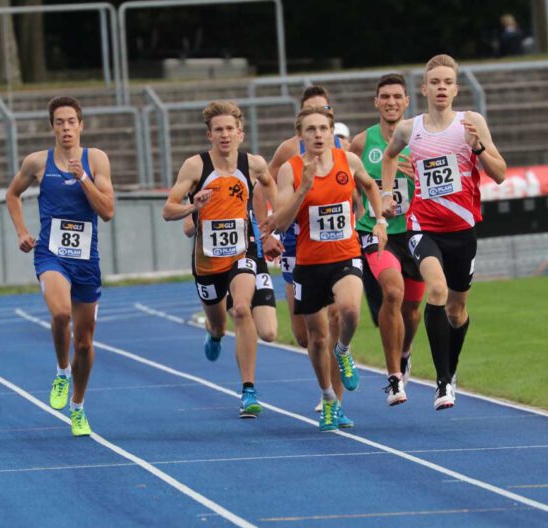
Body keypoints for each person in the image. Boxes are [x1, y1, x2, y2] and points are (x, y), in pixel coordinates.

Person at [381, 54, 506, 410]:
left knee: (457, 311)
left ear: (455, 88)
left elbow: (500, 173)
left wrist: (477, 147)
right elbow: (390, 157)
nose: (441, 88)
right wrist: (388, 194)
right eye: (434, 82)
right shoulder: (410, 129)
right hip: (423, 227)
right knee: (435, 289)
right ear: (424, 88)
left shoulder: (471, 122)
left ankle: (451, 372)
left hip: (462, 230)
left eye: (447, 82)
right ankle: (441, 385)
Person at [263, 106, 386, 431]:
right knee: (316, 340)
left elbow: (371, 186)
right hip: (308, 263)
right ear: (301, 135)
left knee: (349, 311)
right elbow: (283, 222)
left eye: (323, 128)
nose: (318, 134)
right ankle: (329, 398)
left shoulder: (349, 161)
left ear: (331, 132)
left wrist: (380, 219)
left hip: (345, 254)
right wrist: (303, 188)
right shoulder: (290, 170)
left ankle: (343, 351)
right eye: (311, 129)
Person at [6, 96, 115, 436]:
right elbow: (12, 194)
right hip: (50, 253)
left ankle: (78, 407)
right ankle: (61, 370)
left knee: (84, 342)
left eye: (71, 122)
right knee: (61, 314)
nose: (66, 128)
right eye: (59, 122)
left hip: (86, 260)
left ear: (81, 125)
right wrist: (23, 231)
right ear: (52, 126)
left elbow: (107, 211)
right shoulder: (37, 163)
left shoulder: (95, 159)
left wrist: (83, 177)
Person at [164, 100, 278, 418]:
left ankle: (248, 390)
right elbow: (168, 210)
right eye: (218, 130)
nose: (225, 135)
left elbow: (270, 185)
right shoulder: (195, 167)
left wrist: (272, 224)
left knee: (242, 310)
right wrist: (193, 207)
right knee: (218, 323)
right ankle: (214, 334)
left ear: (240, 133)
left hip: (243, 251)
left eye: (230, 129)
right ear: (209, 135)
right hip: (207, 260)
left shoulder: (252, 164)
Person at [266, 86, 353, 426]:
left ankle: (334, 396)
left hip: (336, 249)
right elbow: (263, 183)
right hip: (296, 246)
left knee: (338, 317)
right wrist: (271, 229)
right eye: (311, 115)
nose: (318, 125)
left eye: (324, 113)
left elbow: (358, 185)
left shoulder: (342, 150)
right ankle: (328, 378)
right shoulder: (288, 153)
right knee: (306, 335)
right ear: (300, 123)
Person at [349, 73, 426, 406]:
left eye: (398, 96)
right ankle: (394, 378)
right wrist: (371, 205)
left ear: (407, 102)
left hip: (415, 231)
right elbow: (351, 182)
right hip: (375, 232)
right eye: (385, 97)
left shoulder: (422, 138)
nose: (392, 102)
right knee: (392, 292)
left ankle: (406, 352)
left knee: (412, 311)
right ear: (376, 101)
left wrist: (416, 178)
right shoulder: (361, 143)